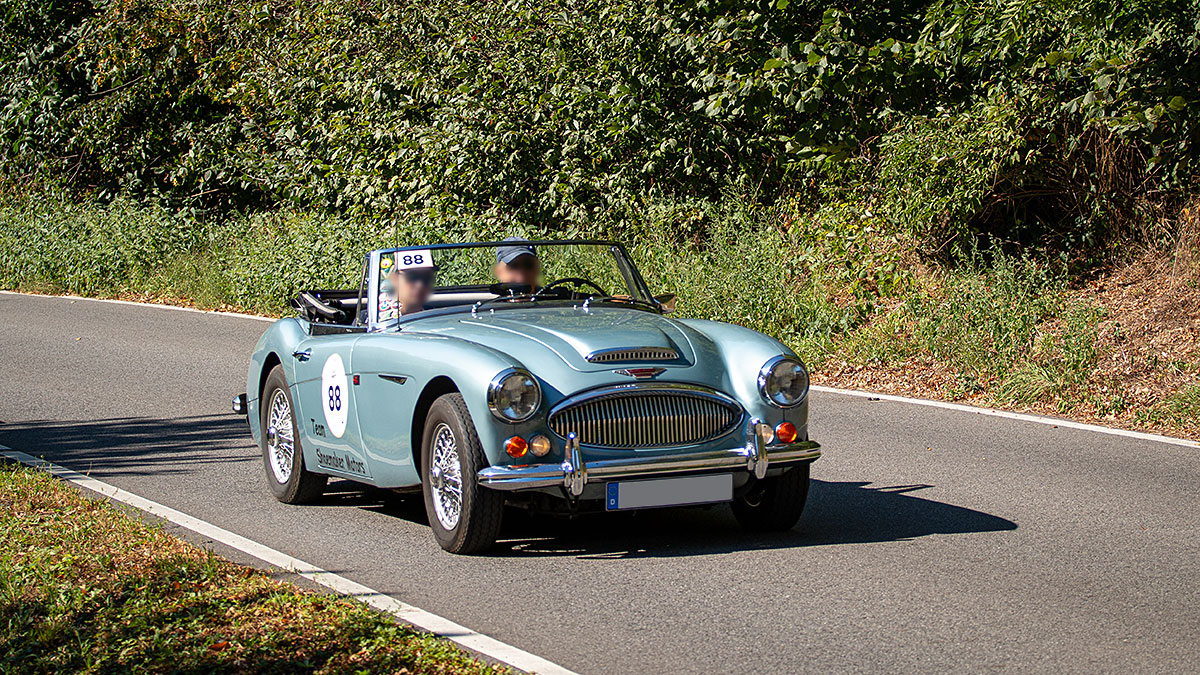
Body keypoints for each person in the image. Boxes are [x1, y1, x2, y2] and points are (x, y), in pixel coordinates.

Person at [381, 253, 436, 318]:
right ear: (394, 279)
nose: (420, 285)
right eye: (412, 277)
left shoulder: (432, 315)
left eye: (427, 278)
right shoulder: (382, 319)